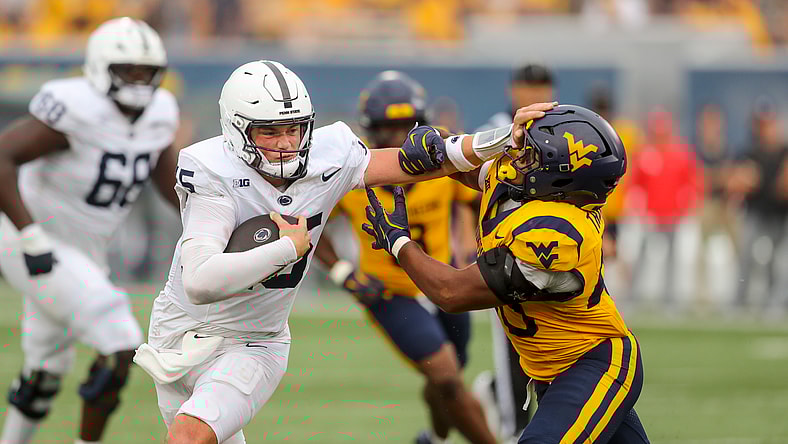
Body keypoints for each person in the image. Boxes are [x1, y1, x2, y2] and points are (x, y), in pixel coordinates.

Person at [133, 59, 556, 444]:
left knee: (188, 437)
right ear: (237, 130)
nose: (285, 142)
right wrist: (286, 249)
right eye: (270, 131)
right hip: (178, 334)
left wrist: (502, 140)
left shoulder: (328, 154)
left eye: (293, 128)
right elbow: (199, 281)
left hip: (253, 341)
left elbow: (426, 160)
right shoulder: (212, 171)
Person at [363, 105, 650, 444]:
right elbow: (468, 170)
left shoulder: (559, 235)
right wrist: (436, 139)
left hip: (592, 364)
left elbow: (451, 293)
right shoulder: (532, 188)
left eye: (531, 155)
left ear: (560, 176)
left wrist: (400, 244)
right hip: (552, 371)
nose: (516, 159)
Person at [0, 17, 179, 444]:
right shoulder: (75, 107)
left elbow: (168, 180)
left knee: (47, 369)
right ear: (101, 68)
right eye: (128, 70)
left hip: (85, 252)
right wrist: (29, 235)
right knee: (120, 340)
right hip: (32, 239)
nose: (138, 82)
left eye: (146, 72)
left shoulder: (160, 114)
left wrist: (212, 222)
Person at [314, 70, 494, 444]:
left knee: (448, 381)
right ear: (371, 130)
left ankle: (435, 440)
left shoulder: (443, 163)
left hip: (444, 282)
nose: (398, 139)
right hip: (391, 292)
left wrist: (470, 246)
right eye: (388, 128)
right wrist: (343, 272)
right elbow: (307, 224)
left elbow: (479, 200)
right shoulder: (353, 171)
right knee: (445, 375)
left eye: (405, 127)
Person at [474, 62, 556, 442]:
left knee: (552, 341)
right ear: (513, 91)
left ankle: (500, 398)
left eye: (541, 86)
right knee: (512, 339)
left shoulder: (561, 127)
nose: (534, 94)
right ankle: (512, 428)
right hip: (506, 247)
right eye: (528, 87)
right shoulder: (496, 129)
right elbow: (470, 187)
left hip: (552, 248)